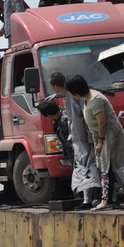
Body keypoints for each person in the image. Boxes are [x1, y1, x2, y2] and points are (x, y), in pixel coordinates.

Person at [65, 75, 124, 211]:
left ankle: (107, 201)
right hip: (102, 136)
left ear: (76, 92)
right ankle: (108, 200)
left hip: (108, 136)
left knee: (106, 169)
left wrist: (100, 141)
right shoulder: (88, 99)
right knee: (105, 169)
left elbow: (102, 122)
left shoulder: (95, 100)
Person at [49, 72, 100, 209]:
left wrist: (78, 139)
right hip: (80, 136)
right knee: (87, 166)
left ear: (54, 86)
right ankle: (89, 198)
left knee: (86, 167)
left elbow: (77, 119)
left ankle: (89, 199)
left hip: (80, 137)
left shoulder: (70, 96)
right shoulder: (69, 95)